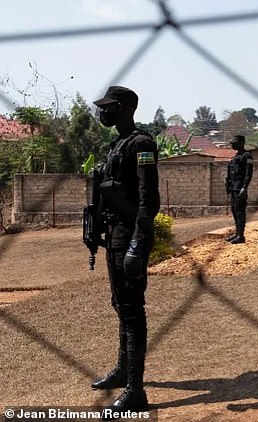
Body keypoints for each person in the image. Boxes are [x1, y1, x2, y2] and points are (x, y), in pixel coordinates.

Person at [91, 86, 160, 414]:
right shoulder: (116, 144)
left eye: (109, 107)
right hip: (113, 232)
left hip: (130, 233)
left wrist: (139, 239)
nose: (103, 112)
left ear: (124, 108)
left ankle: (136, 390)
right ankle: (122, 371)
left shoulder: (141, 143)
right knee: (120, 304)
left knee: (133, 309)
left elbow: (149, 198)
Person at [225, 135, 253, 244]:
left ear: (241, 143)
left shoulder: (247, 156)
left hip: (240, 188)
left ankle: (241, 236)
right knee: (234, 211)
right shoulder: (236, 156)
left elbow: (248, 173)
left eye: (234, 143)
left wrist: (244, 187)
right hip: (233, 188)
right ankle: (237, 233)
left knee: (240, 212)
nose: (232, 145)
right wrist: (227, 184)